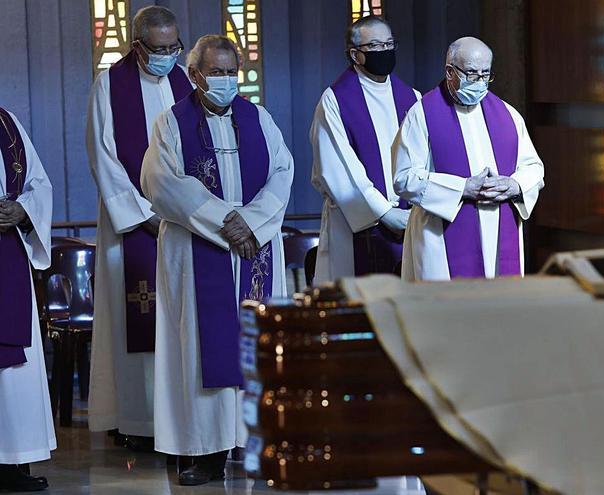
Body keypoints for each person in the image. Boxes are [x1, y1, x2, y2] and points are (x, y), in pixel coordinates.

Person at [140, 35, 293, 486]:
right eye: (217, 72)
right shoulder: (171, 123)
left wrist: (253, 224)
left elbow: (283, 173)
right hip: (196, 251)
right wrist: (225, 221)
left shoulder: (258, 118)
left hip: (254, 248)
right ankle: (203, 451)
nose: (227, 81)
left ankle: (253, 443)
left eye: (232, 71)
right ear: (195, 75)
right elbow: (160, 181)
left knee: (253, 348)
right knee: (196, 348)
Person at [86, 5, 192, 452]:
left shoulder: (187, 81)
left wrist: (184, 211)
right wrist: (144, 215)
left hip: (185, 226)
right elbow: (103, 157)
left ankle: (181, 418)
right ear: (137, 44)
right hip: (133, 227)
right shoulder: (109, 86)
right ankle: (136, 420)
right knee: (133, 320)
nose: (169, 55)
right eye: (159, 48)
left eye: (174, 47)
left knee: (183, 322)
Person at [392, 37, 544, 281]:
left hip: (498, 228)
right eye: (472, 74)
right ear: (450, 71)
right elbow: (404, 178)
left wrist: (514, 185)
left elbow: (534, 167)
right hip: (440, 238)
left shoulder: (508, 115)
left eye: (486, 74)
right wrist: (462, 188)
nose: (480, 82)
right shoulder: (422, 114)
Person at [310, 16, 419, 283]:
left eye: (389, 44)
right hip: (355, 225)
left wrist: (413, 211)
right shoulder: (335, 100)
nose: (384, 51)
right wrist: (383, 212)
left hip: (408, 221)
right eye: (375, 46)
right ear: (355, 55)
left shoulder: (412, 98)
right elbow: (337, 167)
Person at [0, 107, 55, 492]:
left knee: (13, 373)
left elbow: (39, 184)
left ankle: (11, 461)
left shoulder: (6, 122)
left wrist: (23, 210)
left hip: (7, 258)